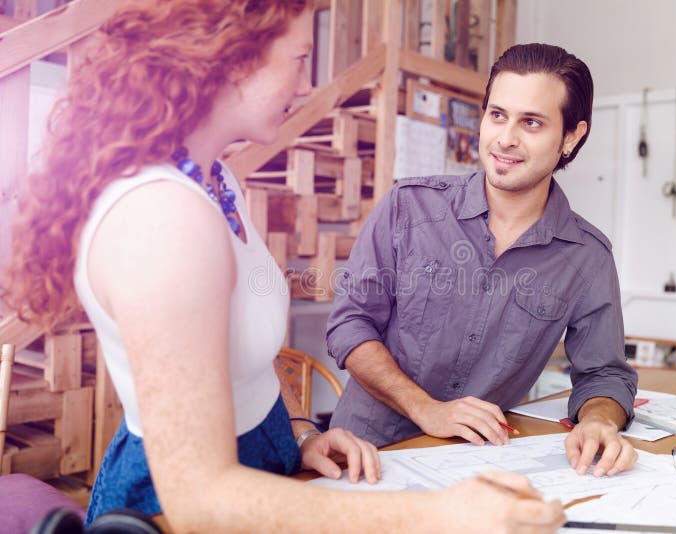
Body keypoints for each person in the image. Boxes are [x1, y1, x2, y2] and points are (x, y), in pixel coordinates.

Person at [1, 1, 566, 532]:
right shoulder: (162, 218)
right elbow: (200, 499)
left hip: (268, 453)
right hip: (180, 505)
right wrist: (435, 515)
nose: (307, 85)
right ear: (232, 55)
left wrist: (298, 431)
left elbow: (247, 351)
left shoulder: (217, 181)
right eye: (298, 60)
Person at [327, 43, 639, 478]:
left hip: (473, 468)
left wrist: (599, 421)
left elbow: (604, 373)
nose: (506, 138)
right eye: (497, 115)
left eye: (531, 122)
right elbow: (350, 324)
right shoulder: (408, 207)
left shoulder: (587, 256)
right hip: (363, 457)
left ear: (571, 136)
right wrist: (427, 409)